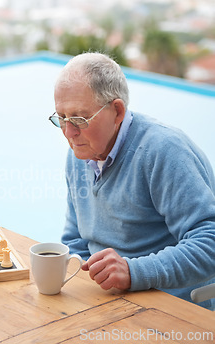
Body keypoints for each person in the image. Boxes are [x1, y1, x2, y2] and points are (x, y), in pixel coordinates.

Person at [49, 52, 215, 310]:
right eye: (62, 118)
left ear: (117, 111)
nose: (69, 132)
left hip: (172, 310)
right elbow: (75, 240)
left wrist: (133, 272)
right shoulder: (81, 152)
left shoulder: (164, 151)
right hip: (109, 303)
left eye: (80, 119)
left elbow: (210, 244)